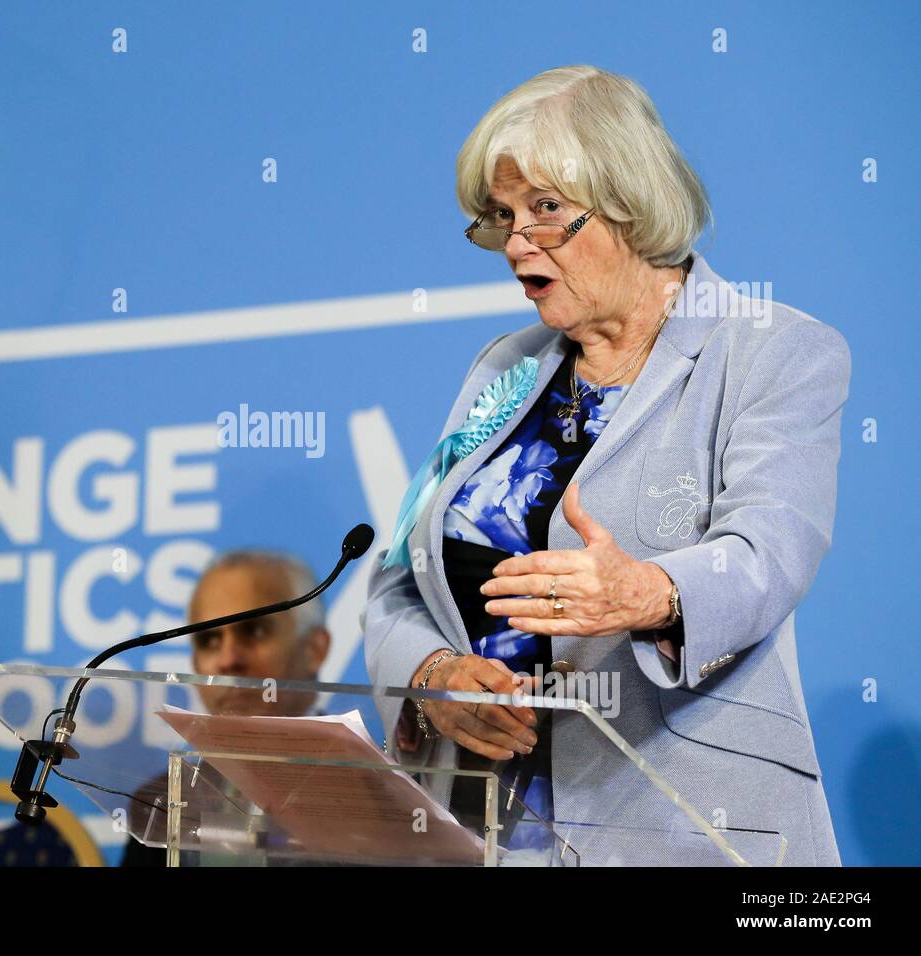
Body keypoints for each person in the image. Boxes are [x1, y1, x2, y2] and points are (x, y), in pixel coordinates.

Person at [363, 65, 849, 866]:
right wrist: (434, 672)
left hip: (690, 824)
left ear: (629, 201)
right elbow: (398, 580)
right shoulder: (503, 369)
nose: (517, 242)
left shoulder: (772, 350)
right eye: (502, 217)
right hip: (488, 825)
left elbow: (769, 553)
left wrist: (645, 593)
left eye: (546, 211)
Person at [119, 550, 330, 865]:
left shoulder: (379, 793)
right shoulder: (161, 802)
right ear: (194, 665)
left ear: (314, 649)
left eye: (255, 631)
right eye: (209, 641)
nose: (228, 659)